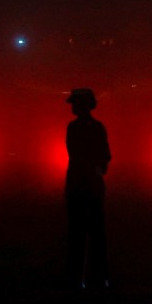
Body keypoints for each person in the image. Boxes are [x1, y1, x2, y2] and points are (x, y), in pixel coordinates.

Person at [64, 87, 111, 290]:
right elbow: (105, 155)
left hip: (79, 185)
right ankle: (97, 277)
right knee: (95, 234)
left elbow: (76, 154)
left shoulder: (75, 128)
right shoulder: (96, 127)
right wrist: (98, 170)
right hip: (90, 184)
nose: (73, 107)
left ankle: (79, 277)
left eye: (76, 103)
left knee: (78, 234)